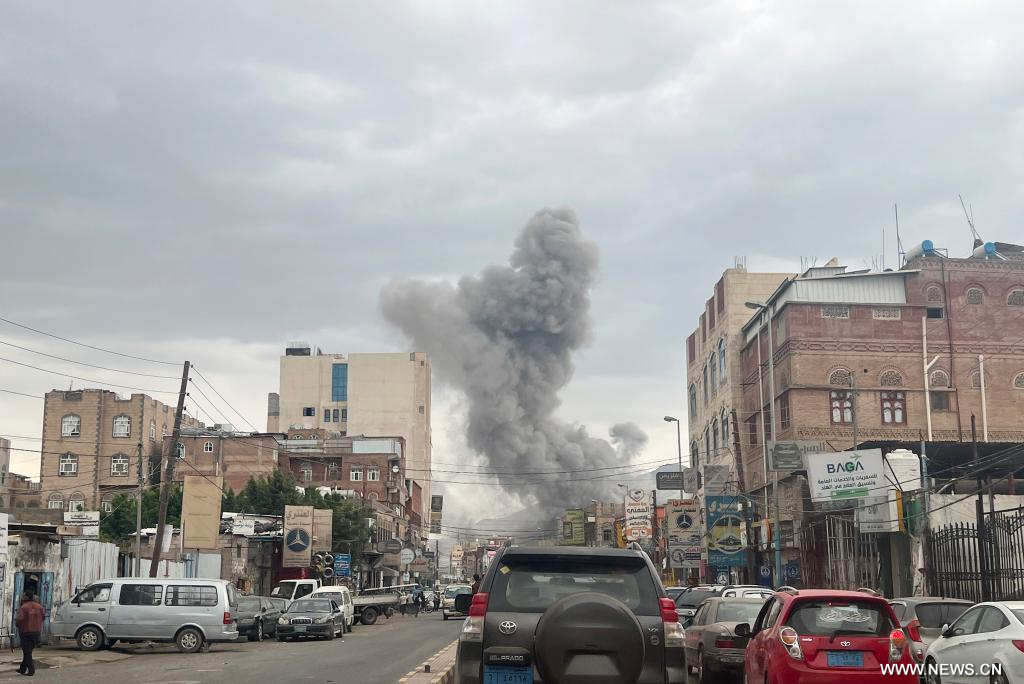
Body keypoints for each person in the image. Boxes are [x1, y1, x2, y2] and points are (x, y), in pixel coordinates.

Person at [16, 593, 45, 677]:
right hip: (36, 631)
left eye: (24, 596)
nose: (22, 597)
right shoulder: (39, 607)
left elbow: (20, 619)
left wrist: (17, 624)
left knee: (27, 652)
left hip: (25, 631)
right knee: (28, 651)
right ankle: (22, 669)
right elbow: (43, 617)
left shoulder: (24, 607)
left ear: (26, 597)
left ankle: (31, 670)